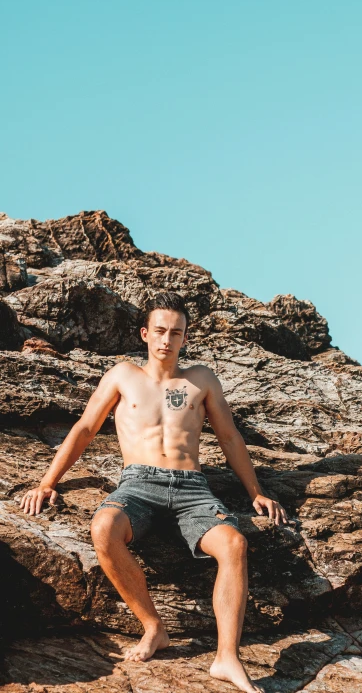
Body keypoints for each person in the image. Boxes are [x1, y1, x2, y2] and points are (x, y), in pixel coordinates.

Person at [19, 291, 289, 693]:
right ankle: (153, 627)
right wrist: (47, 482)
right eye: (159, 331)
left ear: (184, 337)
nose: (166, 340)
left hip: (192, 488)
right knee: (103, 528)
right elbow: (84, 429)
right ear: (145, 333)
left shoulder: (201, 379)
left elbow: (230, 437)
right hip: (138, 484)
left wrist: (256, 491)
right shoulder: (122, 375)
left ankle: (226, 658)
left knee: (233, 545)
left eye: (175, 333)